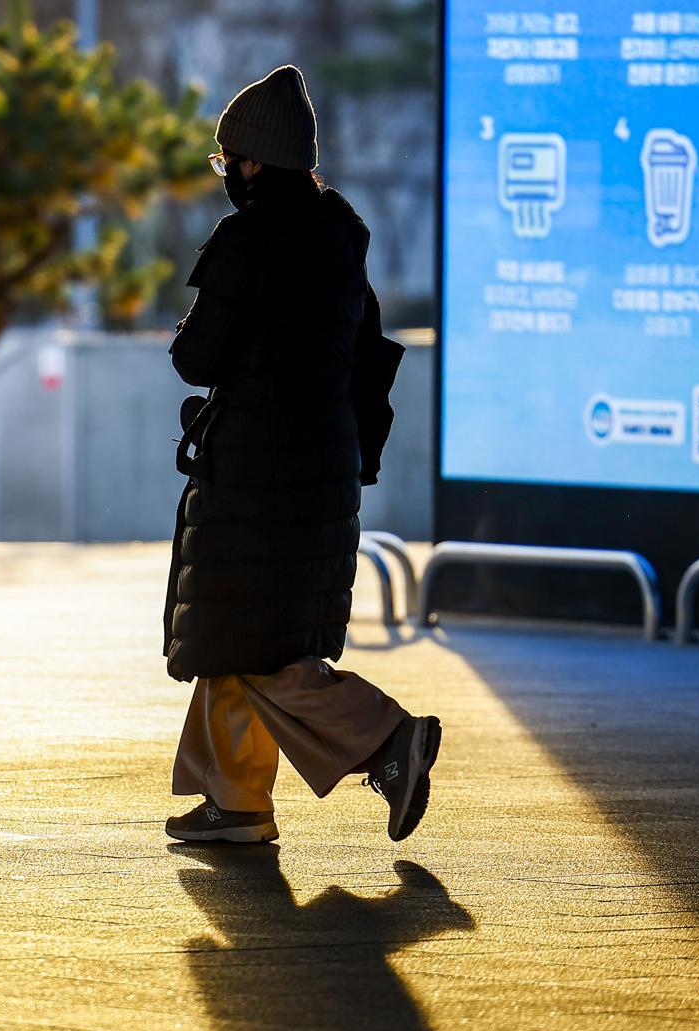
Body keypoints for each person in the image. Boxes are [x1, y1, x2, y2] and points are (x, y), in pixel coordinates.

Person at [162, 65, 438, 845]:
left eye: (227, 162)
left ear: (253, 161)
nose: (227, 176)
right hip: (322, 465)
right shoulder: (338, 230)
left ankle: (388, 738)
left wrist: (200, 328)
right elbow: (364, 353)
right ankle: (237, 800)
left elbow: (197, 354)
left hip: (258, 472)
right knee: (235, 631)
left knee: (259, 645)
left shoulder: (251, 237)